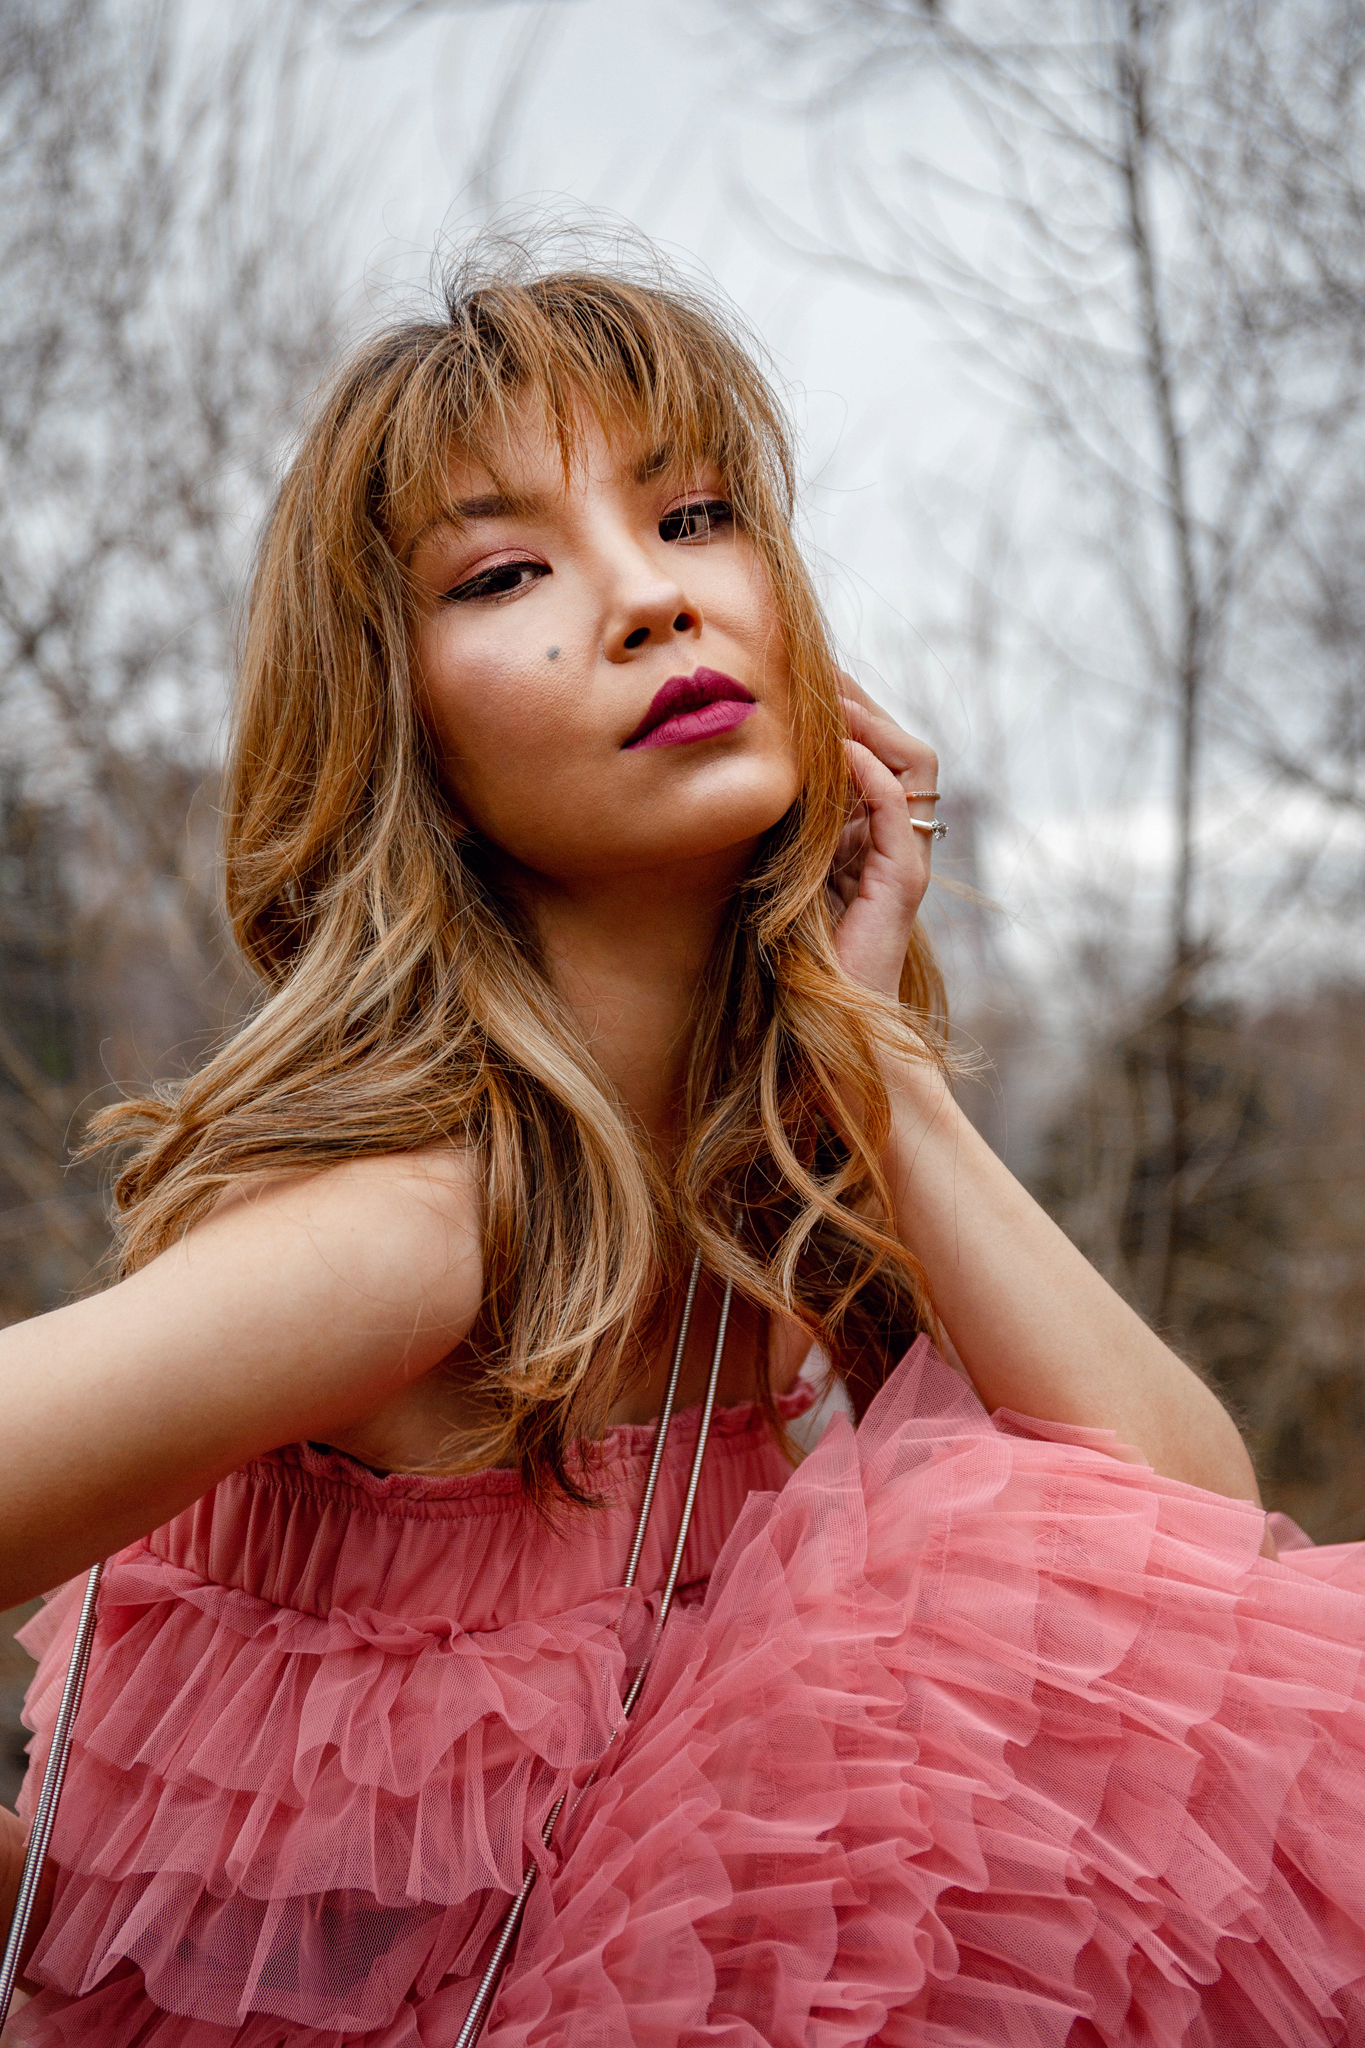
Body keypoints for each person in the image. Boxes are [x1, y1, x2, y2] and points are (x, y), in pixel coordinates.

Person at [1, 244, 1363, 2048]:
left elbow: (1188, 1597)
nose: (648, 602)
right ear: (400, 734)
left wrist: (871, 1067)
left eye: (695, 514)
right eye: (506, 572)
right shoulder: (430, 1230)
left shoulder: (755, 1204)